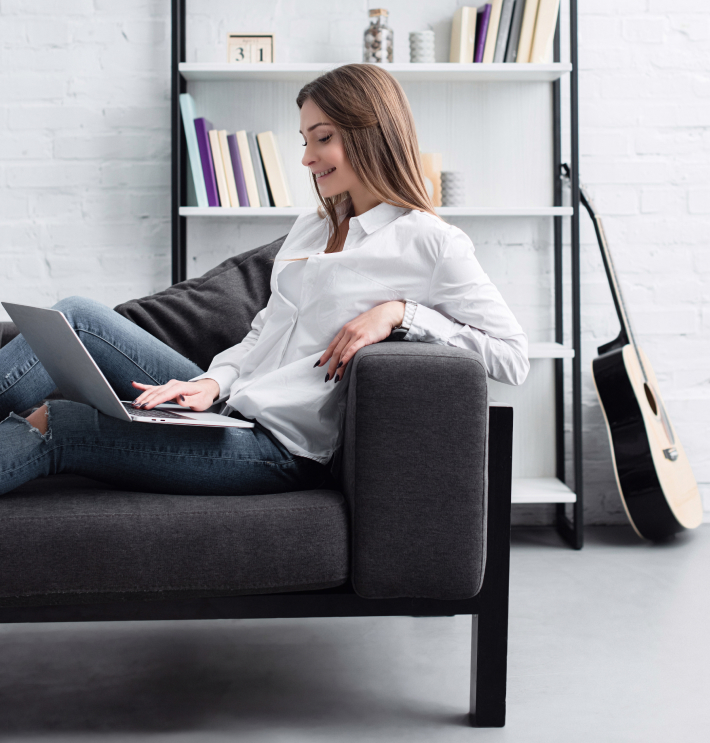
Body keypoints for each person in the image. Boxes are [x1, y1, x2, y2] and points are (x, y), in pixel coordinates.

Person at [0, 64, 528, 497]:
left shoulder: (430, 242)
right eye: (305, 140)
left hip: (278, 449)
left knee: (57, 425)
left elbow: (512, 357)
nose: (306, 158)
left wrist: (402, 314)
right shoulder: (314, 225)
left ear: (371, 133)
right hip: (230, 405)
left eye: (323, 138)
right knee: (77, 316)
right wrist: (213, 382)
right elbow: (263, 331)